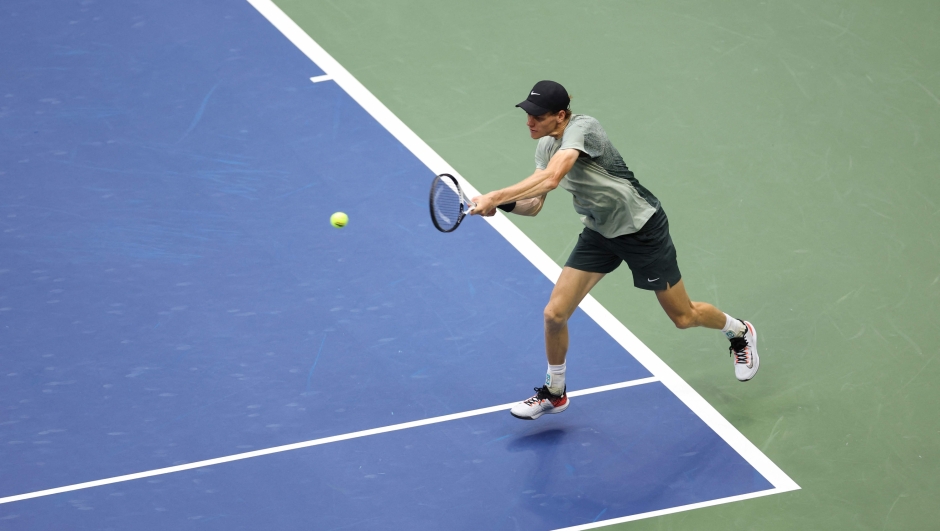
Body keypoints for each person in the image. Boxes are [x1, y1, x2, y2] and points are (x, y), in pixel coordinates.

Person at [471, 80, 758, 420]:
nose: (529, 122)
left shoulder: (583, 128)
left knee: (683, 317)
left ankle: (739, 331)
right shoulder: (546, 147)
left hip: (641, 230)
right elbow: (534, 204)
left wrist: (495, 194)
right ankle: (555, 392)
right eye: (527, 114)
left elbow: (550, 179)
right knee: (554, 315)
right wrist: (502, 206)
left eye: (537, 115)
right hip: (599, 233)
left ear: (561, 115)